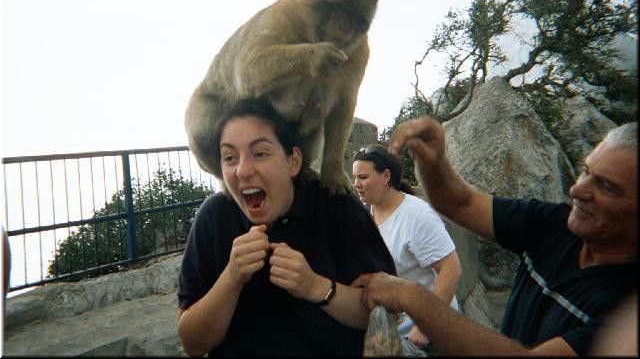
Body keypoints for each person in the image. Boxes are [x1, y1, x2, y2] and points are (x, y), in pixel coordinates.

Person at [353, 117, 637, 356]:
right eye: (585, 172)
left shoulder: (626, 306)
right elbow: (460, 203)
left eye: (607, 187)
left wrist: (412, 299)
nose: (578, 191)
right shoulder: (555, 224)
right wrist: (433, 161)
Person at [176, 99, 396, 357]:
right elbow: (192, 344)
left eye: (260, 153)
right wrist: (232, 276)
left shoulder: (334, 204)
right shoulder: (214, 216)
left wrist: (316, 286)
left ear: (293, 161)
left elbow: (384, 311)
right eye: (229, 157)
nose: (242, 170)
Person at [352, 144, 461, 351]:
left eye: (363, 177)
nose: (356, 184)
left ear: (385, 176)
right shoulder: (364, 215)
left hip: (428, 338)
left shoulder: (417, 215)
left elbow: (451, 268)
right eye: (355, 177)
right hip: (390, 336)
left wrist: (427, 325)